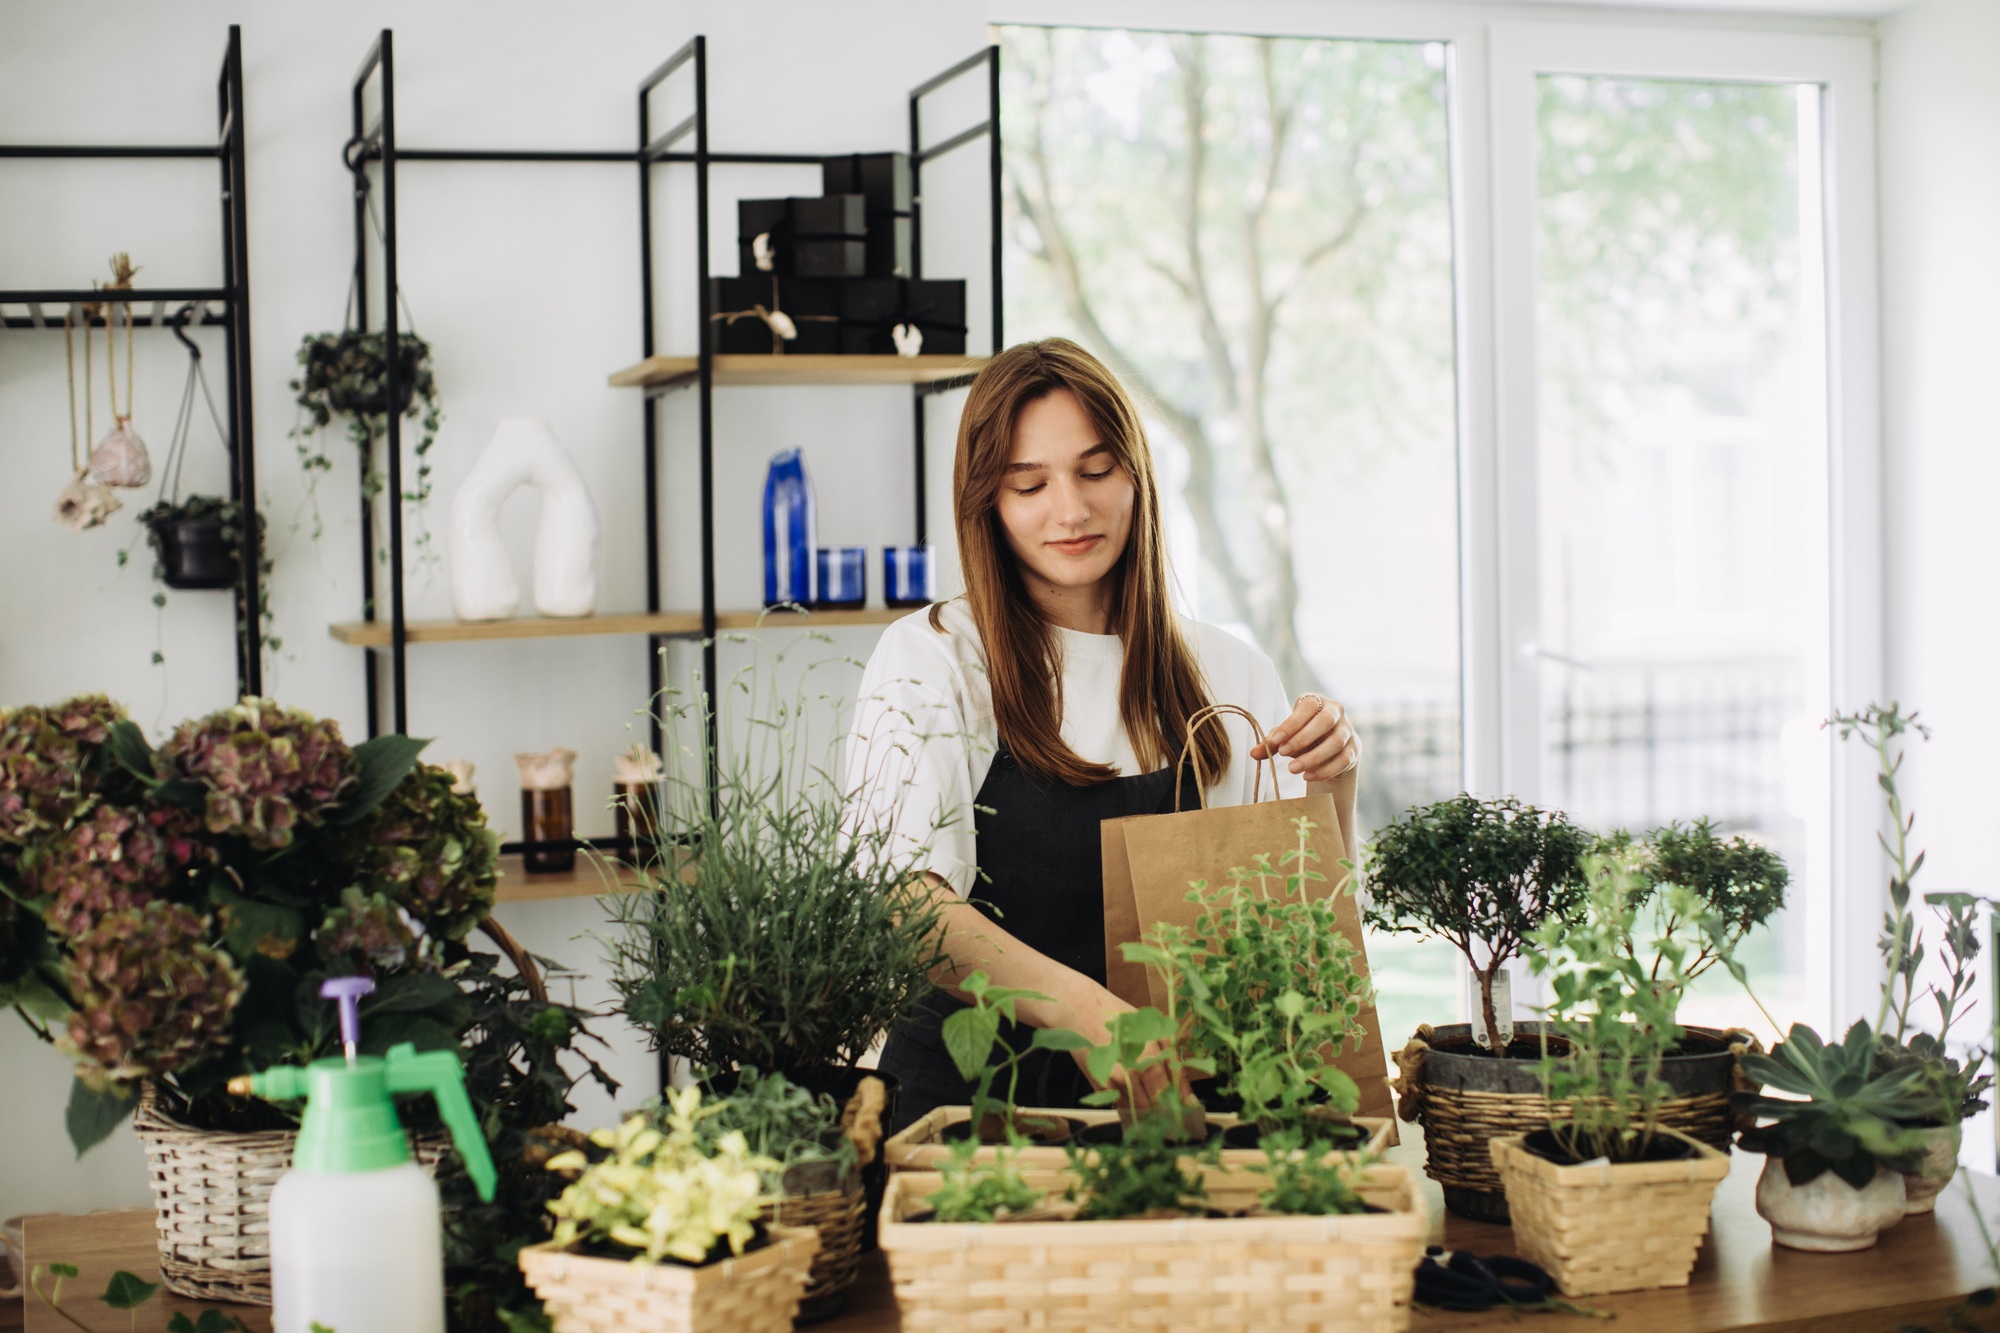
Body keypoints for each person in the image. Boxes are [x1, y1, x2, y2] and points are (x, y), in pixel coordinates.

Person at [845, 338, 1361, 1129]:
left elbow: (1302, 936)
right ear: (986, 501)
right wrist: (1087, 1010)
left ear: (1137, 476)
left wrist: (1332, 785)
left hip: (1178, 1115)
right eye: (1029, 483)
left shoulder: (1229, 671)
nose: (1072, 509)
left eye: (1095, 471)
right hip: (972, 1119)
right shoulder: (933, 657)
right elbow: (903, 906)